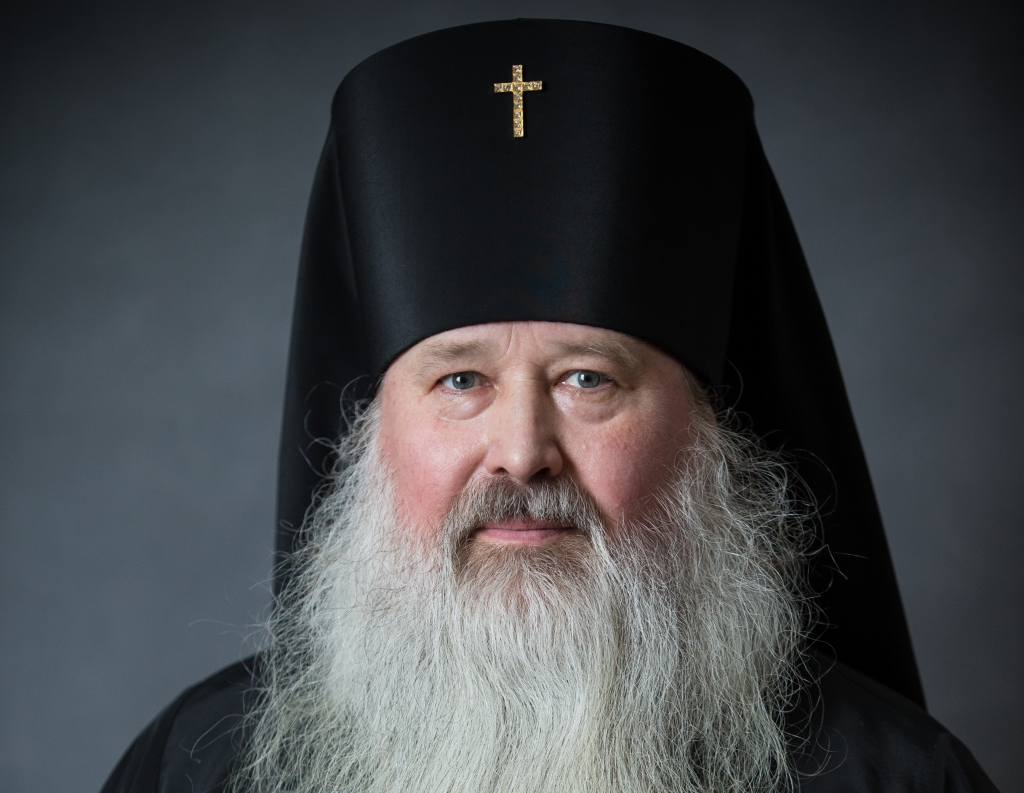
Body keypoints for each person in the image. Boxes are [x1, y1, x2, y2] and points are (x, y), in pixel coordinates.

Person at [101, 19, 998, 793]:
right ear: (372, 436)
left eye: (587, 379)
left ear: (709, 437)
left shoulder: (894, 777)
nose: (522, 450)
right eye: (461, 381)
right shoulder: (199, 764)